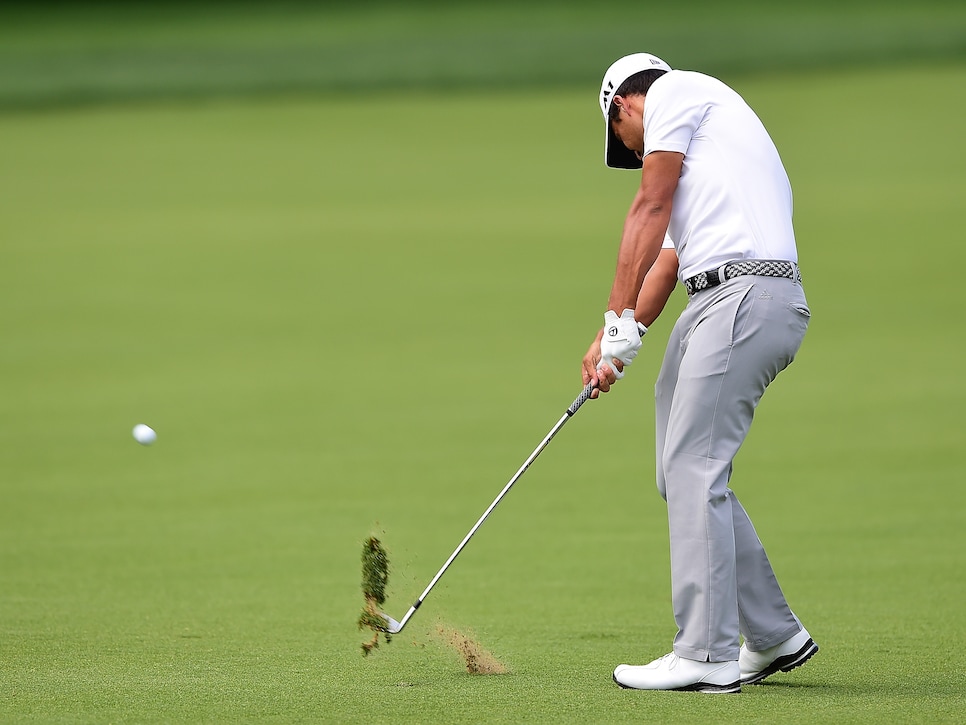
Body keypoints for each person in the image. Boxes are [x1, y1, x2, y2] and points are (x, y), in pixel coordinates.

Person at [582, 53, 818, 693]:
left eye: (624, 141)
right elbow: (665, 261)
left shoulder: (676, 93)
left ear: (624, 105)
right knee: (679, 469)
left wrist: (614, 318)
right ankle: (772, 636)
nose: (634, 153)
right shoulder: (706, 159)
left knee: (695, 466)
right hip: (713, 299)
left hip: (745, 296)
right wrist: (618, 339)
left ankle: (705, 655)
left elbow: (646, 208)